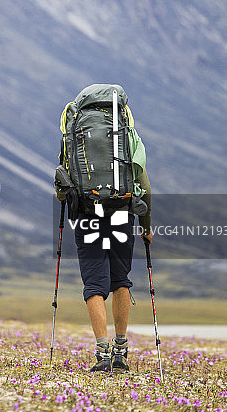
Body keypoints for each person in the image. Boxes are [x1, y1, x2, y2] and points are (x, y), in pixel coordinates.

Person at [55, 85, 153, 374]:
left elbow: (63, 182)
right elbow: (144, 185)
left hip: (87, 214)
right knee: (121, 279)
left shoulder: (73, 132)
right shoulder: (126, 134)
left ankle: (102, 352)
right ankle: (121, 351)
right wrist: (146, 227)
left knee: (94, 284)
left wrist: (65, 196)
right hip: (122, 212)